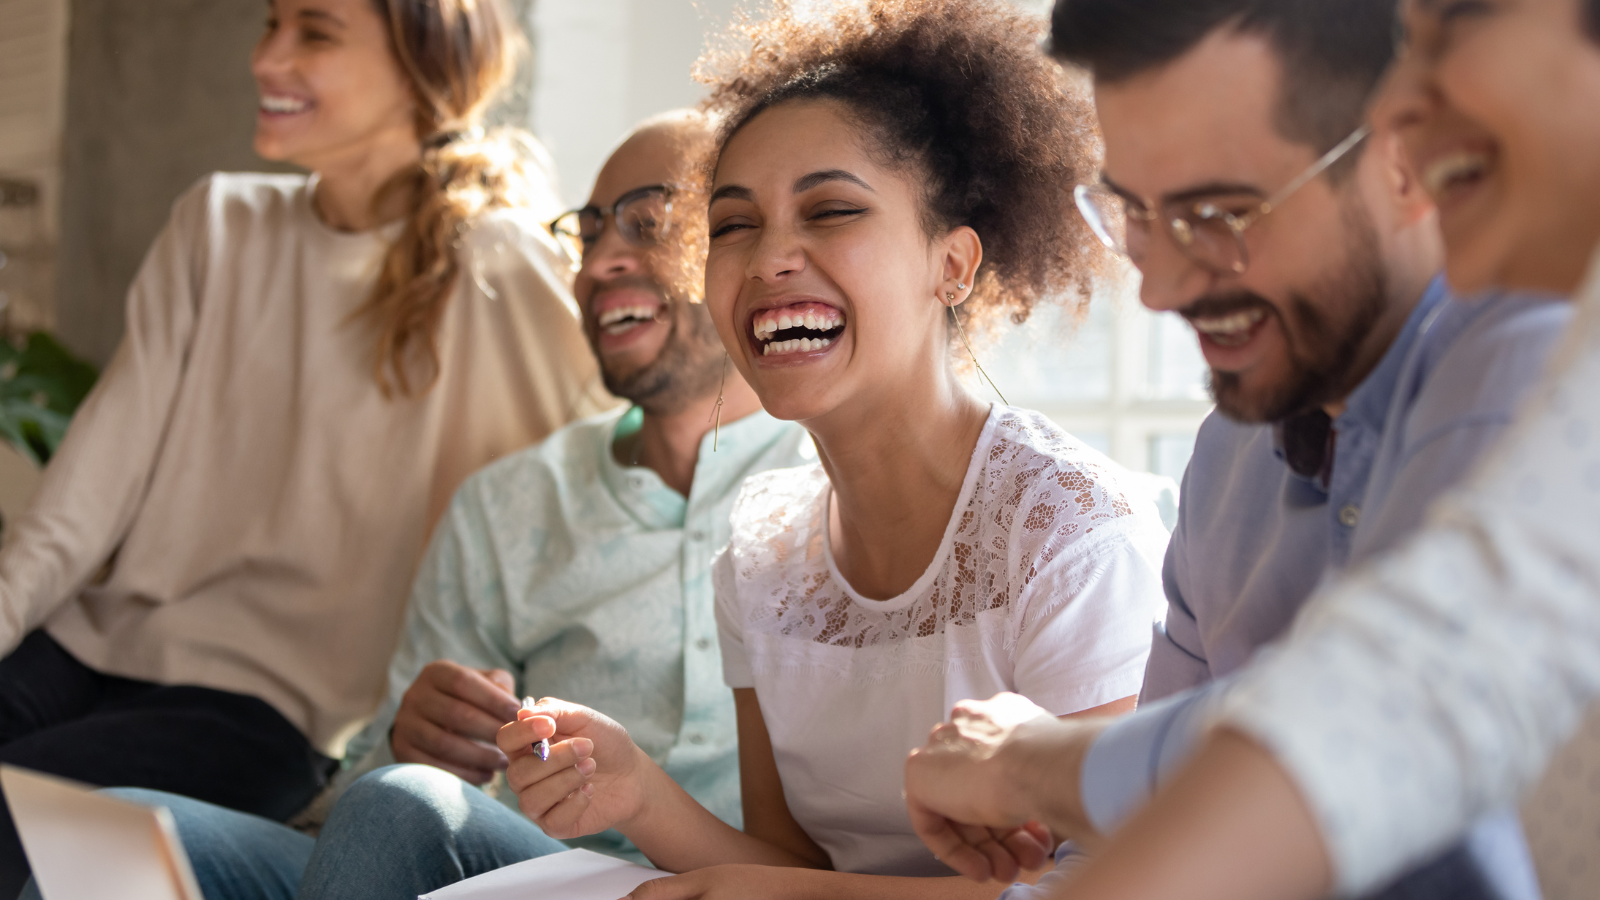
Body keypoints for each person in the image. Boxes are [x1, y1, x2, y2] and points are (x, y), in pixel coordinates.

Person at [13, 110, 816, 900]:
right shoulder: (511, 503)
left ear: (739, 242)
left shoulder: (831, 490)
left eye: (648, 222)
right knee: (110, 834)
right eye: (589, 229)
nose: (600, 260)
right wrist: (412, 741)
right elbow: (366, 789)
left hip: (685, 880)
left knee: (403, 811)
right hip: (502, 867)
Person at [907, 0, 1600, 898]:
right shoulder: (1229, 460)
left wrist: (1031, 764)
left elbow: (1385, 709)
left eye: (1218, 213)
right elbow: (1141, 836)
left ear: (1393, 167)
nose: (1157, 289)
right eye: (1135, 213)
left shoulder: (1530, 351)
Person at [491, 2, 1170, 898]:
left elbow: (1112, 885)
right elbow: (796, 868)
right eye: (733, 225)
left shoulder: (1072, 534)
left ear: (953, 265)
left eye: (832, 210)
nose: (769, 258)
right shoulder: (762, 559)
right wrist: (638, 792)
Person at [0, 0, 609, 894]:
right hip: (83, 647)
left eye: (315, 33)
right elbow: (83, 496)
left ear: (423, 68)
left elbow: (617, 450)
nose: (268, 58)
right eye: (270, 24)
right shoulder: (216, 223)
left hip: (274, 715)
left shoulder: (500, 264)